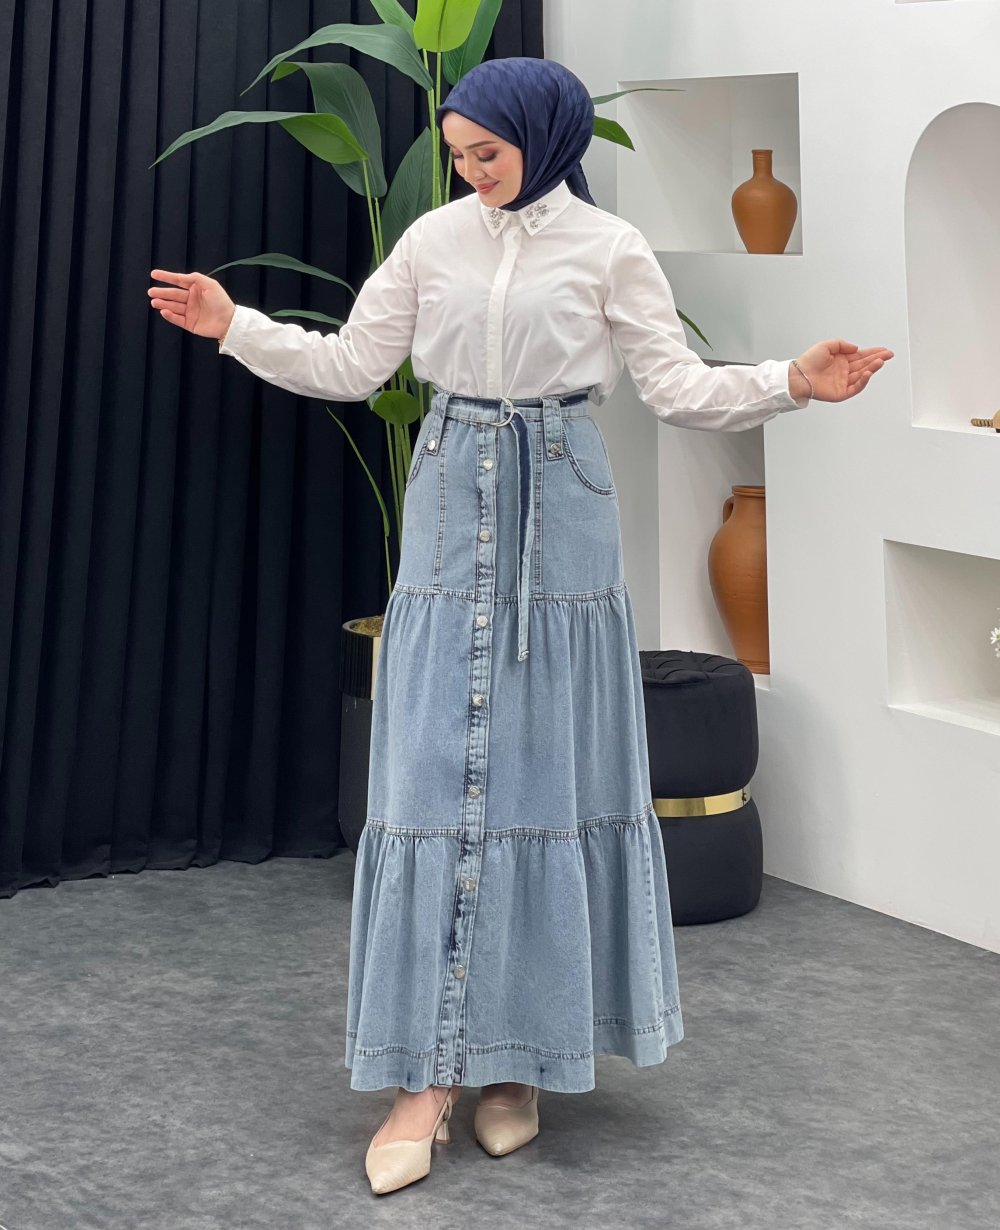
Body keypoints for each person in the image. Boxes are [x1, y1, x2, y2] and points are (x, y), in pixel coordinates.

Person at [147, 56, 894, 1198]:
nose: (468, 172)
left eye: (486, 153)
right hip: (452, 494)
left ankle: (519, 1061)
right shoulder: (432, 241)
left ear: (543, 140)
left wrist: (791, 379)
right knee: (431, 785)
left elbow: (677, 388)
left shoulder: (610, 249)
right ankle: (423, 1080)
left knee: (545, 783)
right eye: (458, 155)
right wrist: (233, 323)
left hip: (565, 505)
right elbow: (351, 364)